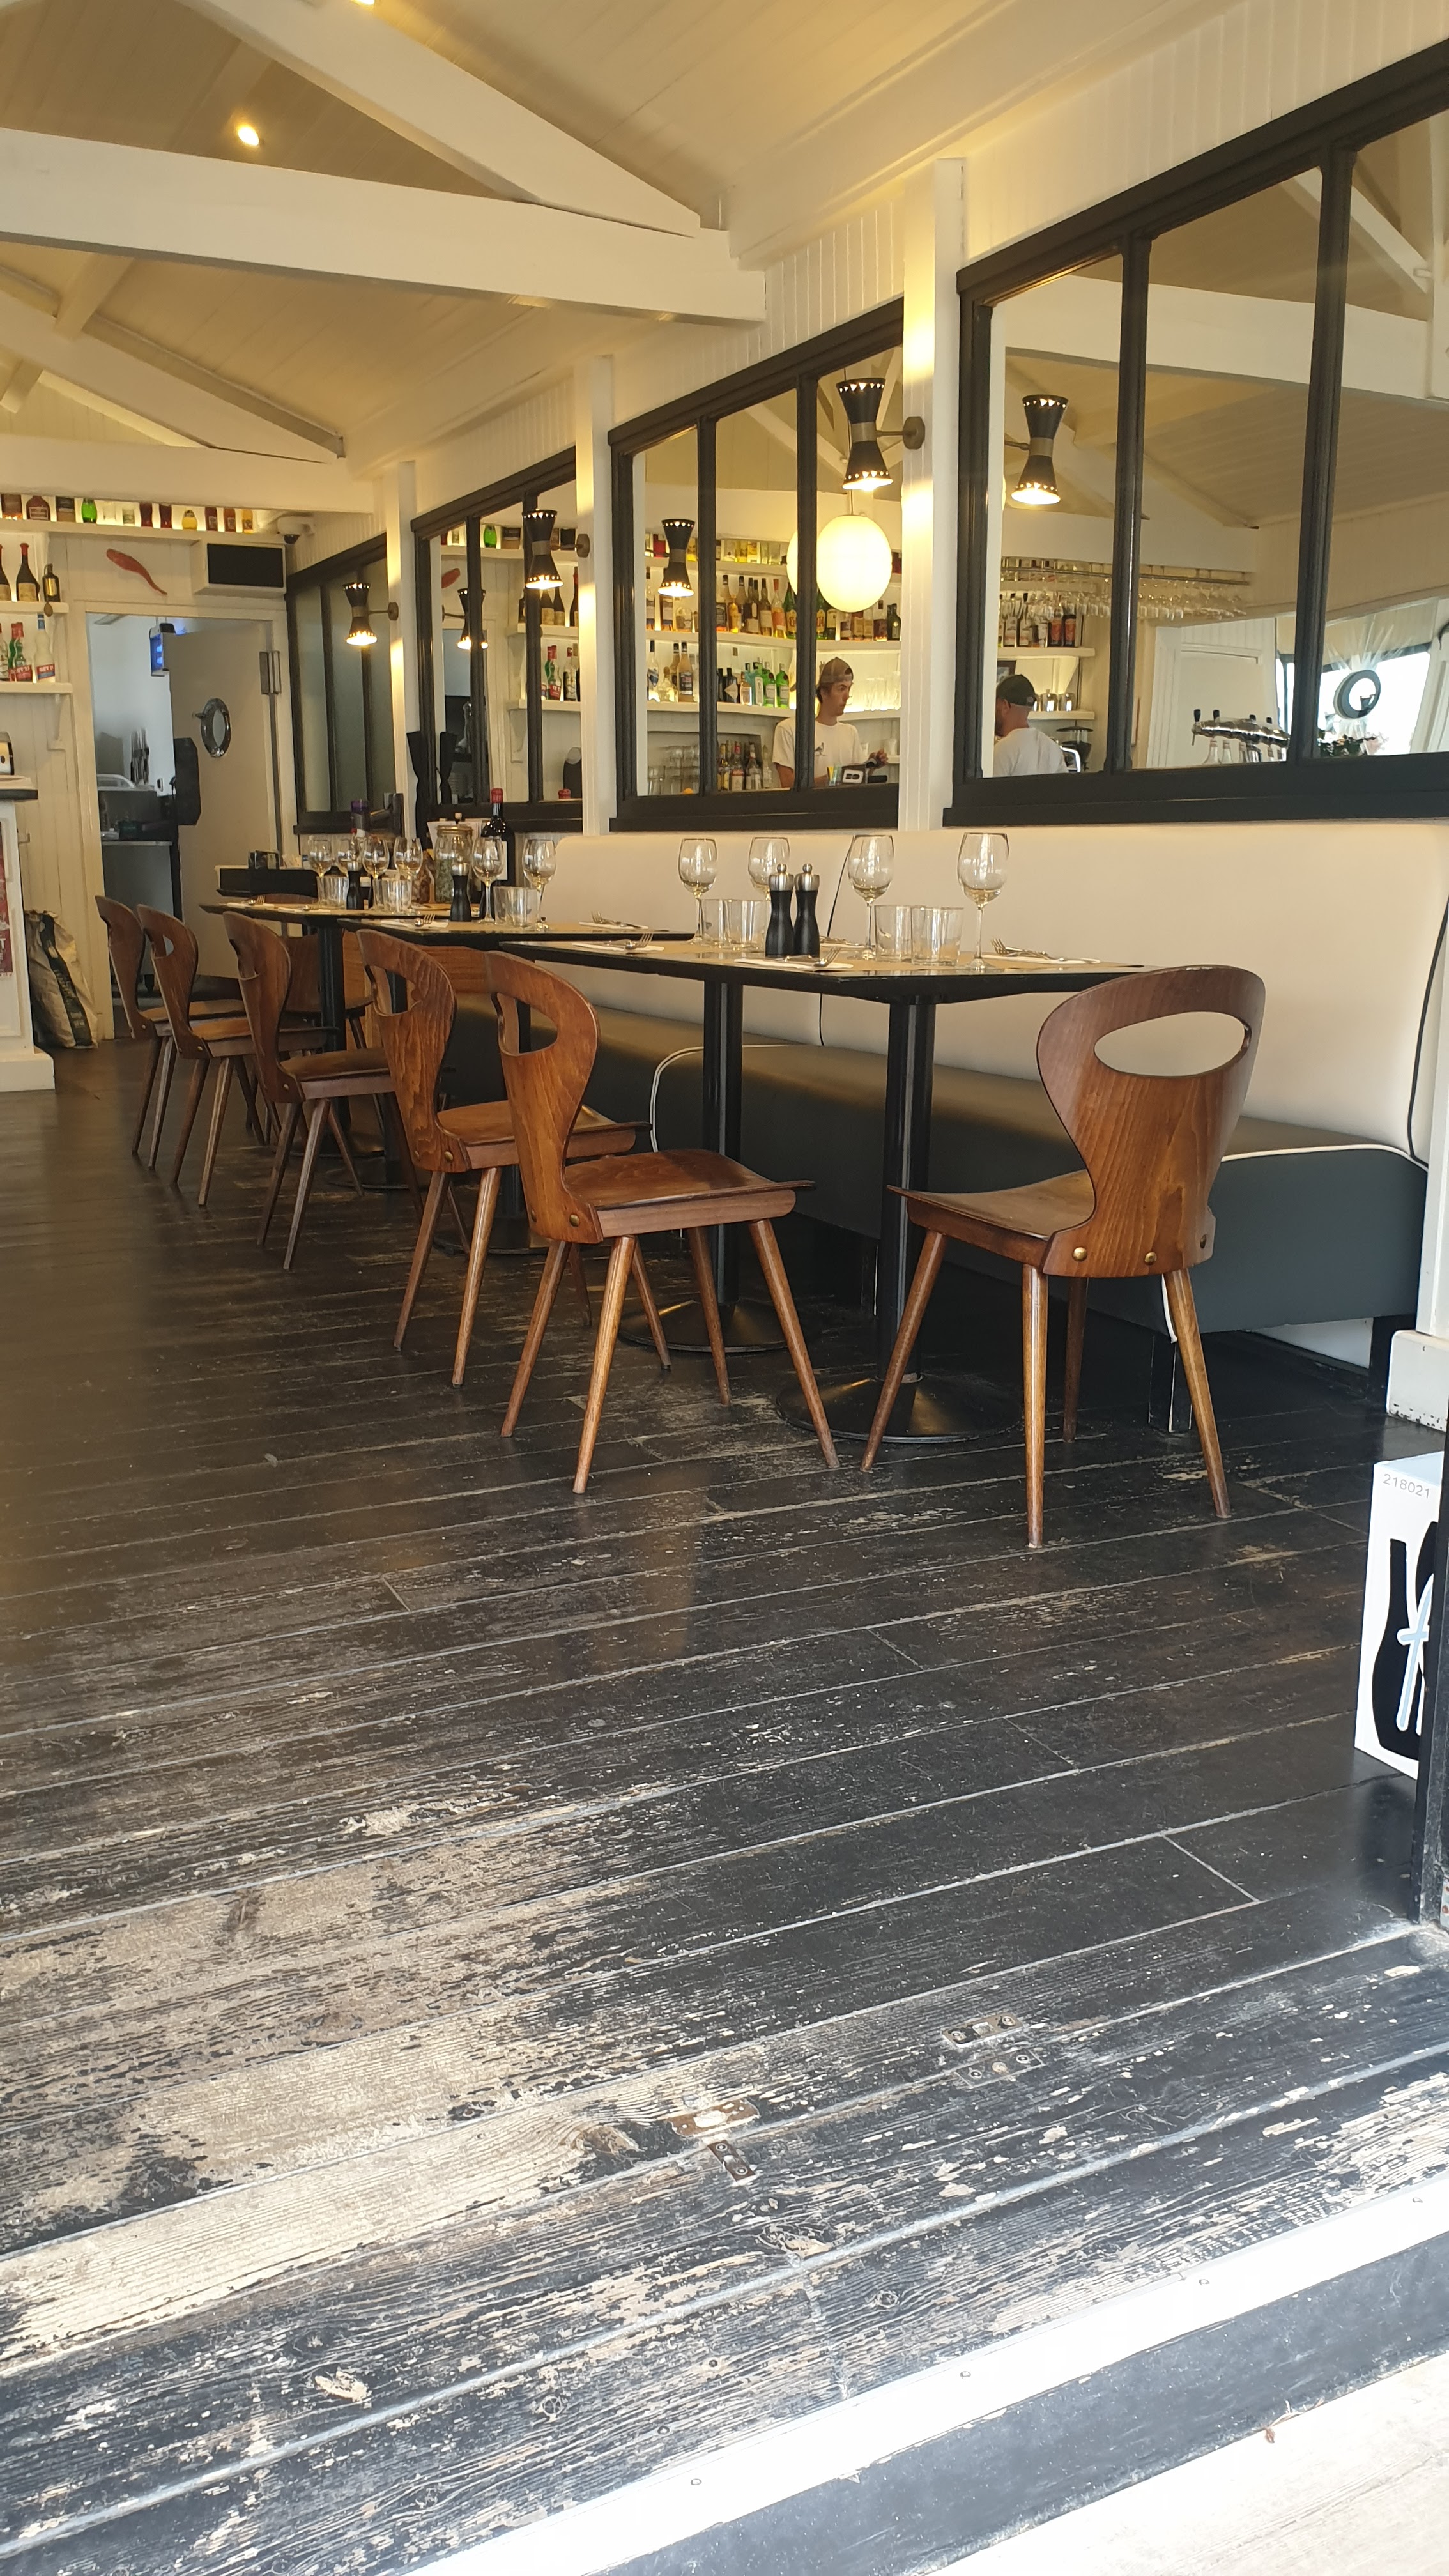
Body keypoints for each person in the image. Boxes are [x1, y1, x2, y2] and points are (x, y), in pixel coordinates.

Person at [774, 657, 864, 787]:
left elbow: (857, 782)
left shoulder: (851, 732)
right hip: (807, 802)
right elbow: (787, 782)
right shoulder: (788, 729)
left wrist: (872, 765)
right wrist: (831, 778)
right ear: (824, 692)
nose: (847, 696)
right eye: (841, 689)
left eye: (849, 689)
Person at [993, 671, 1068, 776]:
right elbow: (1066, 786)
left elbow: (990, 787)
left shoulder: (1002, 750)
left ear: (1005, 706)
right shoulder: (1052, 748)